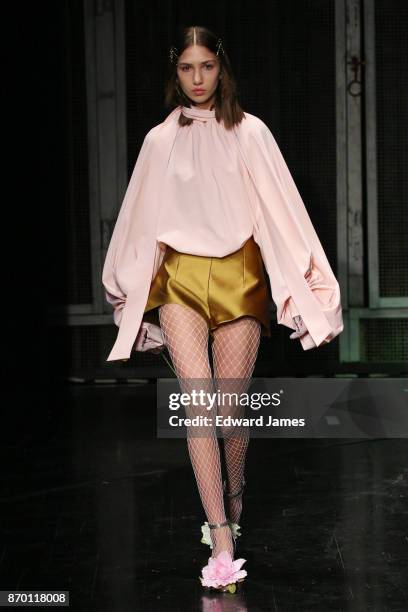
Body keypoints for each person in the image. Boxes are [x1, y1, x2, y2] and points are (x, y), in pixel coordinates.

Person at [102, 26, 344, 593]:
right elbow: (138, 220)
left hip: (239, 278)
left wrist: (308, 286)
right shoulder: (159, 142)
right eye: (187, 68)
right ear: (175, 72)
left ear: (221, 67)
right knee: (199, 408)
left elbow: (284, 211)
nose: (197, 78)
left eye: (206, 66)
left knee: (230, 414)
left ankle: (231, 498)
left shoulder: (250, 133)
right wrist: (126, 291)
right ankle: (221, 536)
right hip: (182, 280)